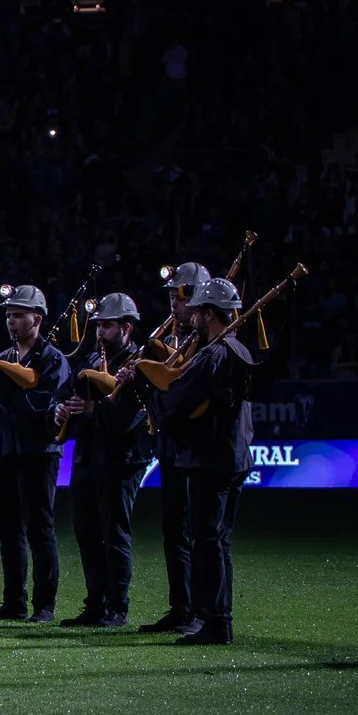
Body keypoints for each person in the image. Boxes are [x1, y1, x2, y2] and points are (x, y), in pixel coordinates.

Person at [127, 278, 256, 646]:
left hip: (210, 457)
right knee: (219, 541)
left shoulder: (213, 353)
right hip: (233, 455)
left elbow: (178, 399)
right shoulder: (239, 349)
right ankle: (219, 619)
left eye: (198, 310)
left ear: (210, 313)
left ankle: (215, 621)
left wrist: (147, 388)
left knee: (207, 541)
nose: (193, 317)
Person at [0, 284, 70, 622]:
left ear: (37, 318)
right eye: (8, 315)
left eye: (18, 315)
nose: (12, 322)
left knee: (39, 529)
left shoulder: (53, 360)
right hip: (5, 451)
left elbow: (44, 407)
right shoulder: (1, 360)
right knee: (8, 531)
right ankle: (14, 602)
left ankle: (44, 605)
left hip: (38, 452)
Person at [57, 293, 154, 630]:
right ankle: (95, 604)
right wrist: (60, 411)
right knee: (87, 534)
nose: (100, 331)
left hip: (122, 460)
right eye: (98, 324)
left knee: (114, 534)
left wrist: (93, 411)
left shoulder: (141, 362)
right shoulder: (88, 358)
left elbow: (134, 418)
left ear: (127, 328)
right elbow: (70, 398)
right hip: (87, 457)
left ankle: (118, 608)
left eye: (107, 325)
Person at [144, 261, 208, 632]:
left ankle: (200, 611)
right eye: (171, 294)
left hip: (195, 445)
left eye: (181, 295)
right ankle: (181, 607)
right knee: (173, 530)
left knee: (195, 531)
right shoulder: (174, 338)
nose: (174, 302)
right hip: (170, 443)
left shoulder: (206, 339)